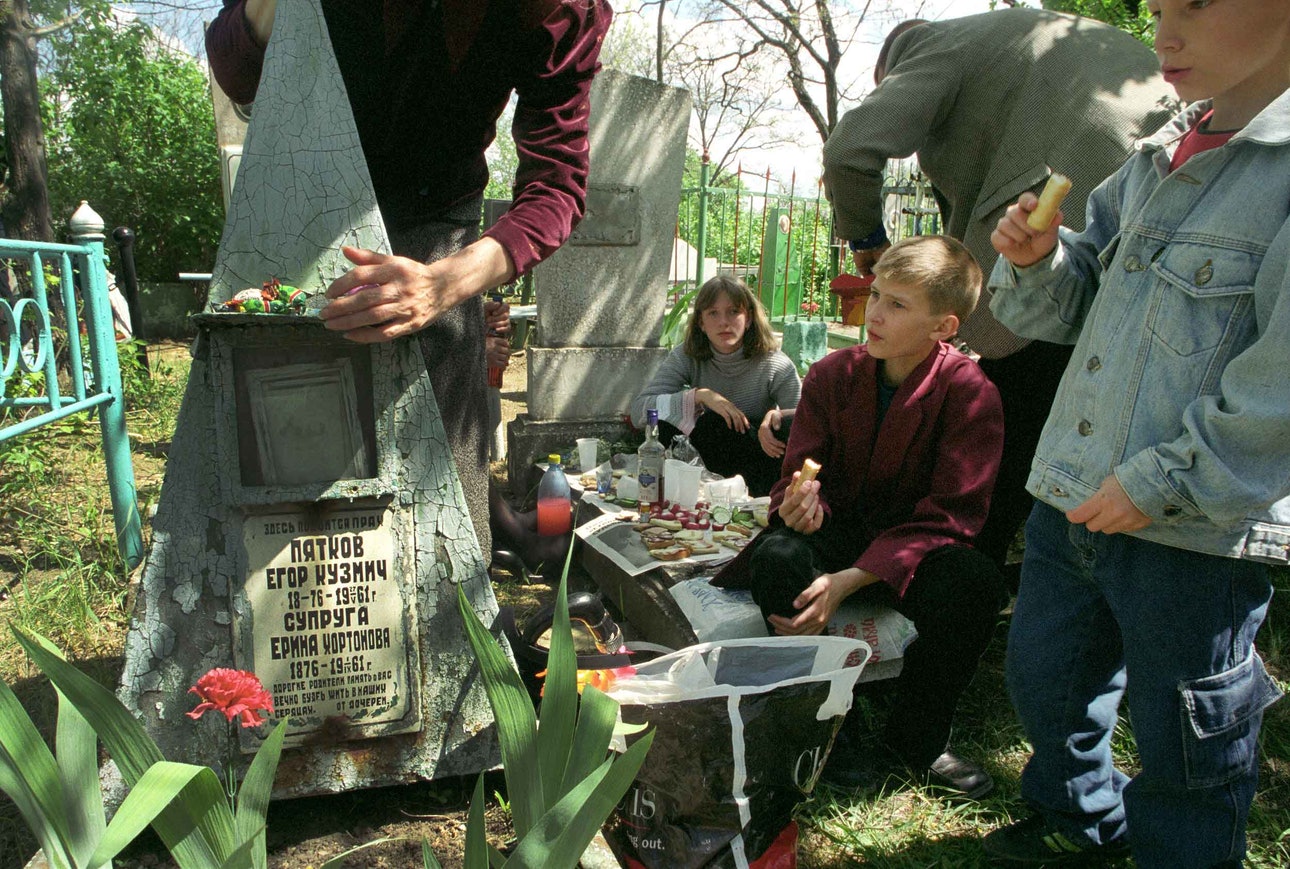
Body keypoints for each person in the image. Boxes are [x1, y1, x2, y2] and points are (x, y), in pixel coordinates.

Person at [981, 0, 1290, 863]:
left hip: (1191, 531)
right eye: (1158, 9)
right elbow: (1074, 301)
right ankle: (1077, 816)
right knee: (1048, 679)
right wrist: (1041, 258)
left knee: (1189, 733)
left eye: (1195, 4)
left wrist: (1158, 483)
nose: (1165, 33)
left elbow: (1281, 391)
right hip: (1072, 491)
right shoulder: (1155, 156)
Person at [206, 0, 611, 559]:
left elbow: (557, 186)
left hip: (437, 234)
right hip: (296, 217)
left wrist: (445, 283)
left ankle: (463, 627)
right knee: (291, 483)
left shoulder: (564, 11)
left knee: (449, 493)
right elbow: (234, 66)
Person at [821, 8, 1177, 579]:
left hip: (1066, 207)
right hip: (1165, 192)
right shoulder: (1023, 40)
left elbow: (849, 149)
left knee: (1007, 410)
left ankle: (963, 571)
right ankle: (1060, 563)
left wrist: (868, 240)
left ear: (893, 66)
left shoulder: (934, 43)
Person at [712, 236, 1006, 797]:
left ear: (943, 327)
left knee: (976, 584)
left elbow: (951, 515)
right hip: (837, 531)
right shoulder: (830, 375)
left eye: (897, 304)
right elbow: (795, 477)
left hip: (915, 549)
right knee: (778, 556)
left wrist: (847, 582)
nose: (873, 312)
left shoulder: (971, 394)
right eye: (876, 294)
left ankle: (918, 739)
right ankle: (826, 731)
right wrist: (800, 508)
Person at [630, 276, 801, 497]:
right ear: (701, 322)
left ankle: (765, 501)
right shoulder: (686, 356)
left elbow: (807, 421)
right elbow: (639, 412)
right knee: (669, 420)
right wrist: (700, 396)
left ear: (748, 318)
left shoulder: (775, 363)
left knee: (784, 427)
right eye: (713, 313)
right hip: (706, 458)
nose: (724, 322)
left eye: (733, 312)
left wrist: (775, 416)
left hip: (756, 458)